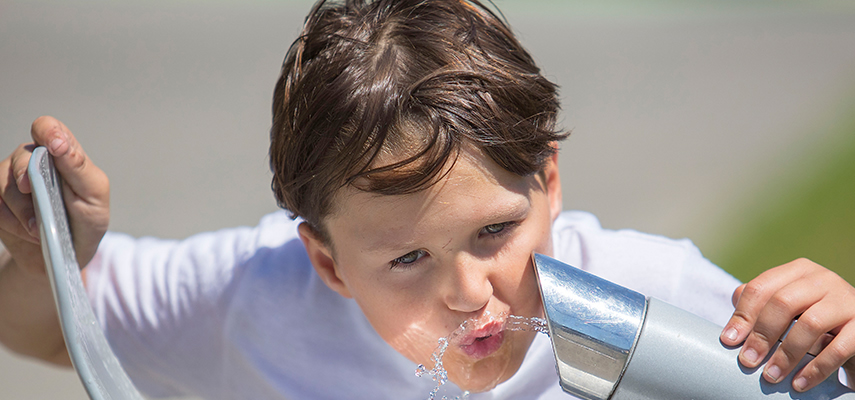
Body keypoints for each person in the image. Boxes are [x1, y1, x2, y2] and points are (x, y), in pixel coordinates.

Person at [1, 0, 853, 398]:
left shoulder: (646, 292)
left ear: (547, 183)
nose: (468, 293)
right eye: (406, 258)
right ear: (326, 262)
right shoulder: (255, 298)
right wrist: (53, 257)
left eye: (495, 231)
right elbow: (43, 331)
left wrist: (842, 336)